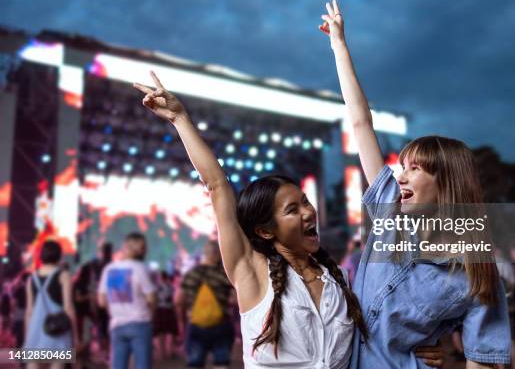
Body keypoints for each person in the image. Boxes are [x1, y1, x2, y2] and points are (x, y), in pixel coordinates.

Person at [133, 72, 444, 368]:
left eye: (305, 202)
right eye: (292, 210)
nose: (308, 212)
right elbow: (217, 186)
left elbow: (378, 333)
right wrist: (180, 119)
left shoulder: (339, 282)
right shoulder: (251, 272)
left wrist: (418, 347)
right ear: (265, 231)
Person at [320, 0, 512, 368]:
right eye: (401, 166)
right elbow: (360, 124)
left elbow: (483, 360)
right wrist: (339, 46)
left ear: (447, 184)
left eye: (415, 169)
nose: (400, 175)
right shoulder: (388, 213)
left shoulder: (476, 273)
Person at [97, 232, 156, 369]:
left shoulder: (109, 269)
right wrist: (151, 313)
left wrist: (114, 310)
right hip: (140, 322)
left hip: (117, 324)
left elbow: (101, 301)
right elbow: (151, 297)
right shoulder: (140, 268)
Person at [175, 240, 234, 368]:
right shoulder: (224, 275)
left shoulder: (191, 274)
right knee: (221, 364)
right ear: (217, 254)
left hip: (196, 324)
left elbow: (178, 300)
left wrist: (185, 315)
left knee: (194, 364)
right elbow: (235, 300)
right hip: (221, 325)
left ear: (205, 254)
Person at [24, 240, 77, 369]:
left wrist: (27, 337)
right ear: (59, 255)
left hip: (35, 330)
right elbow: (68, 308)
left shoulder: (31, 279)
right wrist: (75, 336)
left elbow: (29, 312)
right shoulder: (63, 275)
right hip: (58, 329)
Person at [153, 270, 178, 360]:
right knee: (170, 331)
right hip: (169, 310)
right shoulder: (171, 287)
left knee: (160, 332)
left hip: (159, 311)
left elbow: (154, 300)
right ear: (167, 277)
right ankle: (170, 351)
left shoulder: (156, 287)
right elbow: (174, 300)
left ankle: (162, 352)